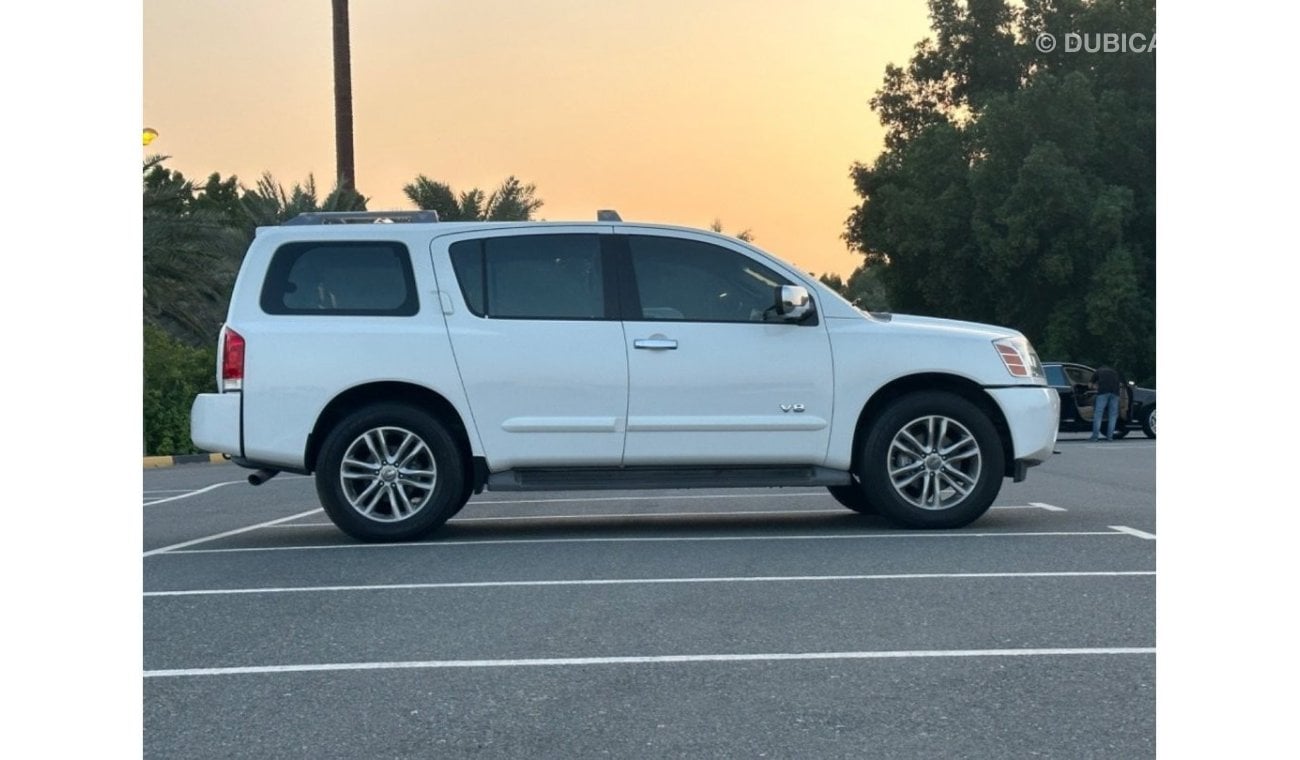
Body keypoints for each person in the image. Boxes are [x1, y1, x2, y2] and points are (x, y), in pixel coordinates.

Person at [1089, 364, 1123, 441]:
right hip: (1115, 393)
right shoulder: (1114, 372)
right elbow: (1120, 384)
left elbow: (1090, 385)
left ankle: (1095, 437)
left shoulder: (1098, 371)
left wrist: (1095, 386)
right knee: (1113, 415)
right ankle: (1110, 437)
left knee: (1098, 414)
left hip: (1103, 392)